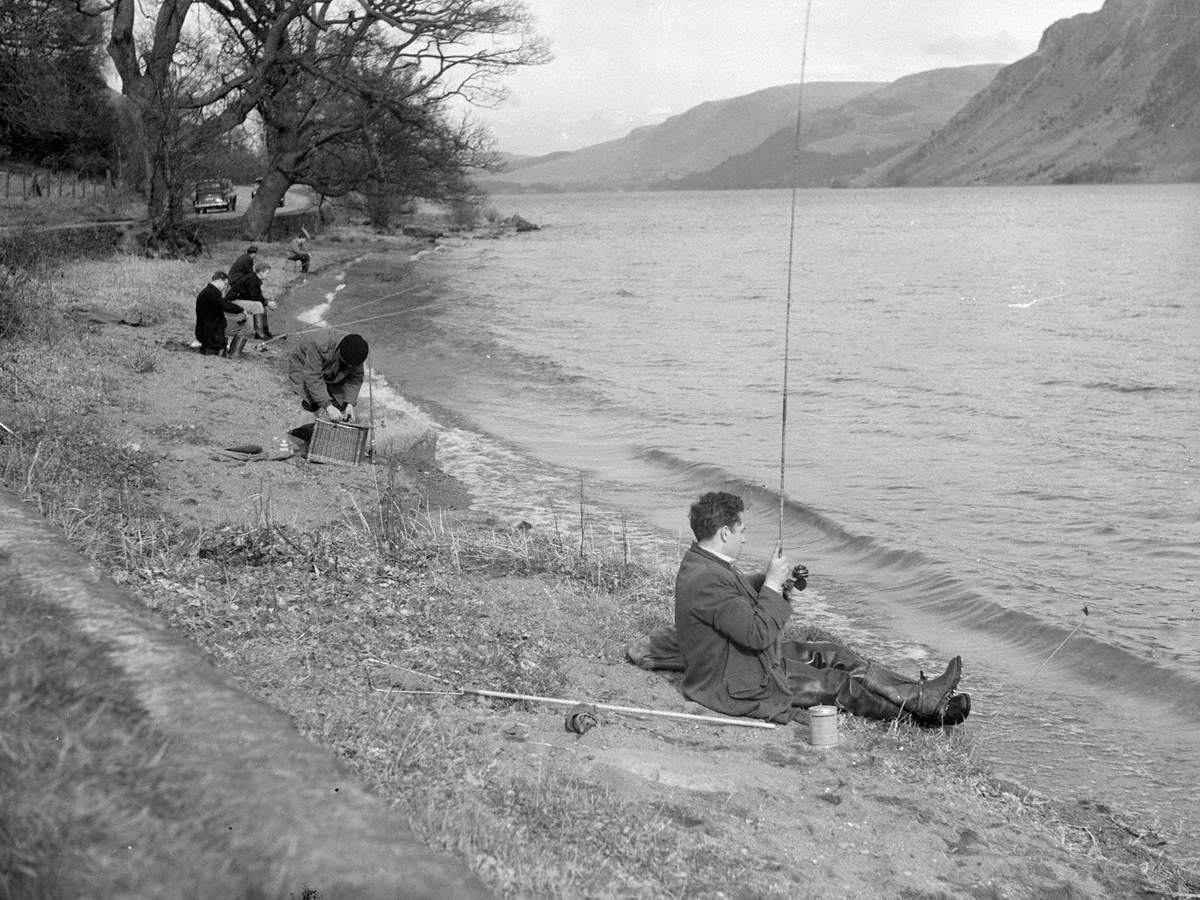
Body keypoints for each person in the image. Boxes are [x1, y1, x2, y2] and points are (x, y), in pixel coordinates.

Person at [672, 491, 970, 726]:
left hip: (739, 663)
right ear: (724, 533)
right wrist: (772, 586)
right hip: (738, 684)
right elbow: (757, 634)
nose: (745, 537)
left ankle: (921, 696)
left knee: (832, 652)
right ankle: (922, 717)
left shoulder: (706, 563)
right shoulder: (707, 579)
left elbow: (734, 598)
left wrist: (772, 580)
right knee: (836, 684)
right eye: (741, 531)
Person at [286, 331, 369, 423]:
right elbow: (313, 378)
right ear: (340, 352)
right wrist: (328, 406)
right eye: (347, 364)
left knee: (340, 402)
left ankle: (330, 427)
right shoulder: (319, 345)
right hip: (303, 362)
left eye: (352, 365)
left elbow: (355, 379)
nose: (350, 367)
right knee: (311, 400)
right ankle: (303, 427)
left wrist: (350, 404)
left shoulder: (356, 352)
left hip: (331, 363)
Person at [193, 271, 243, 356]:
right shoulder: (211, 294)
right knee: (243, 328)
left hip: (206, 332)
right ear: (219, 280)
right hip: (211, 335)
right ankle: (234, 353)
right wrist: (241, 310)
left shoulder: (207, 292)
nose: (225, 287)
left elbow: (222, 305)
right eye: (225, 284)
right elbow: (225, 305)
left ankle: (229, 351)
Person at [228, 260, 275, 339]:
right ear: (260, 272)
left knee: (262, 306)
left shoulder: (254, 278)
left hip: (239, 300)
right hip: (232, 301)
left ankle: (265, 331)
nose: (268, 275)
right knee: (258, 305)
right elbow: (255, 297)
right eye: (267, 273)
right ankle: (258, 333)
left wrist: (268, 302)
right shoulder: (252, 279)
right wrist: (267, 303)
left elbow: (257, 296)